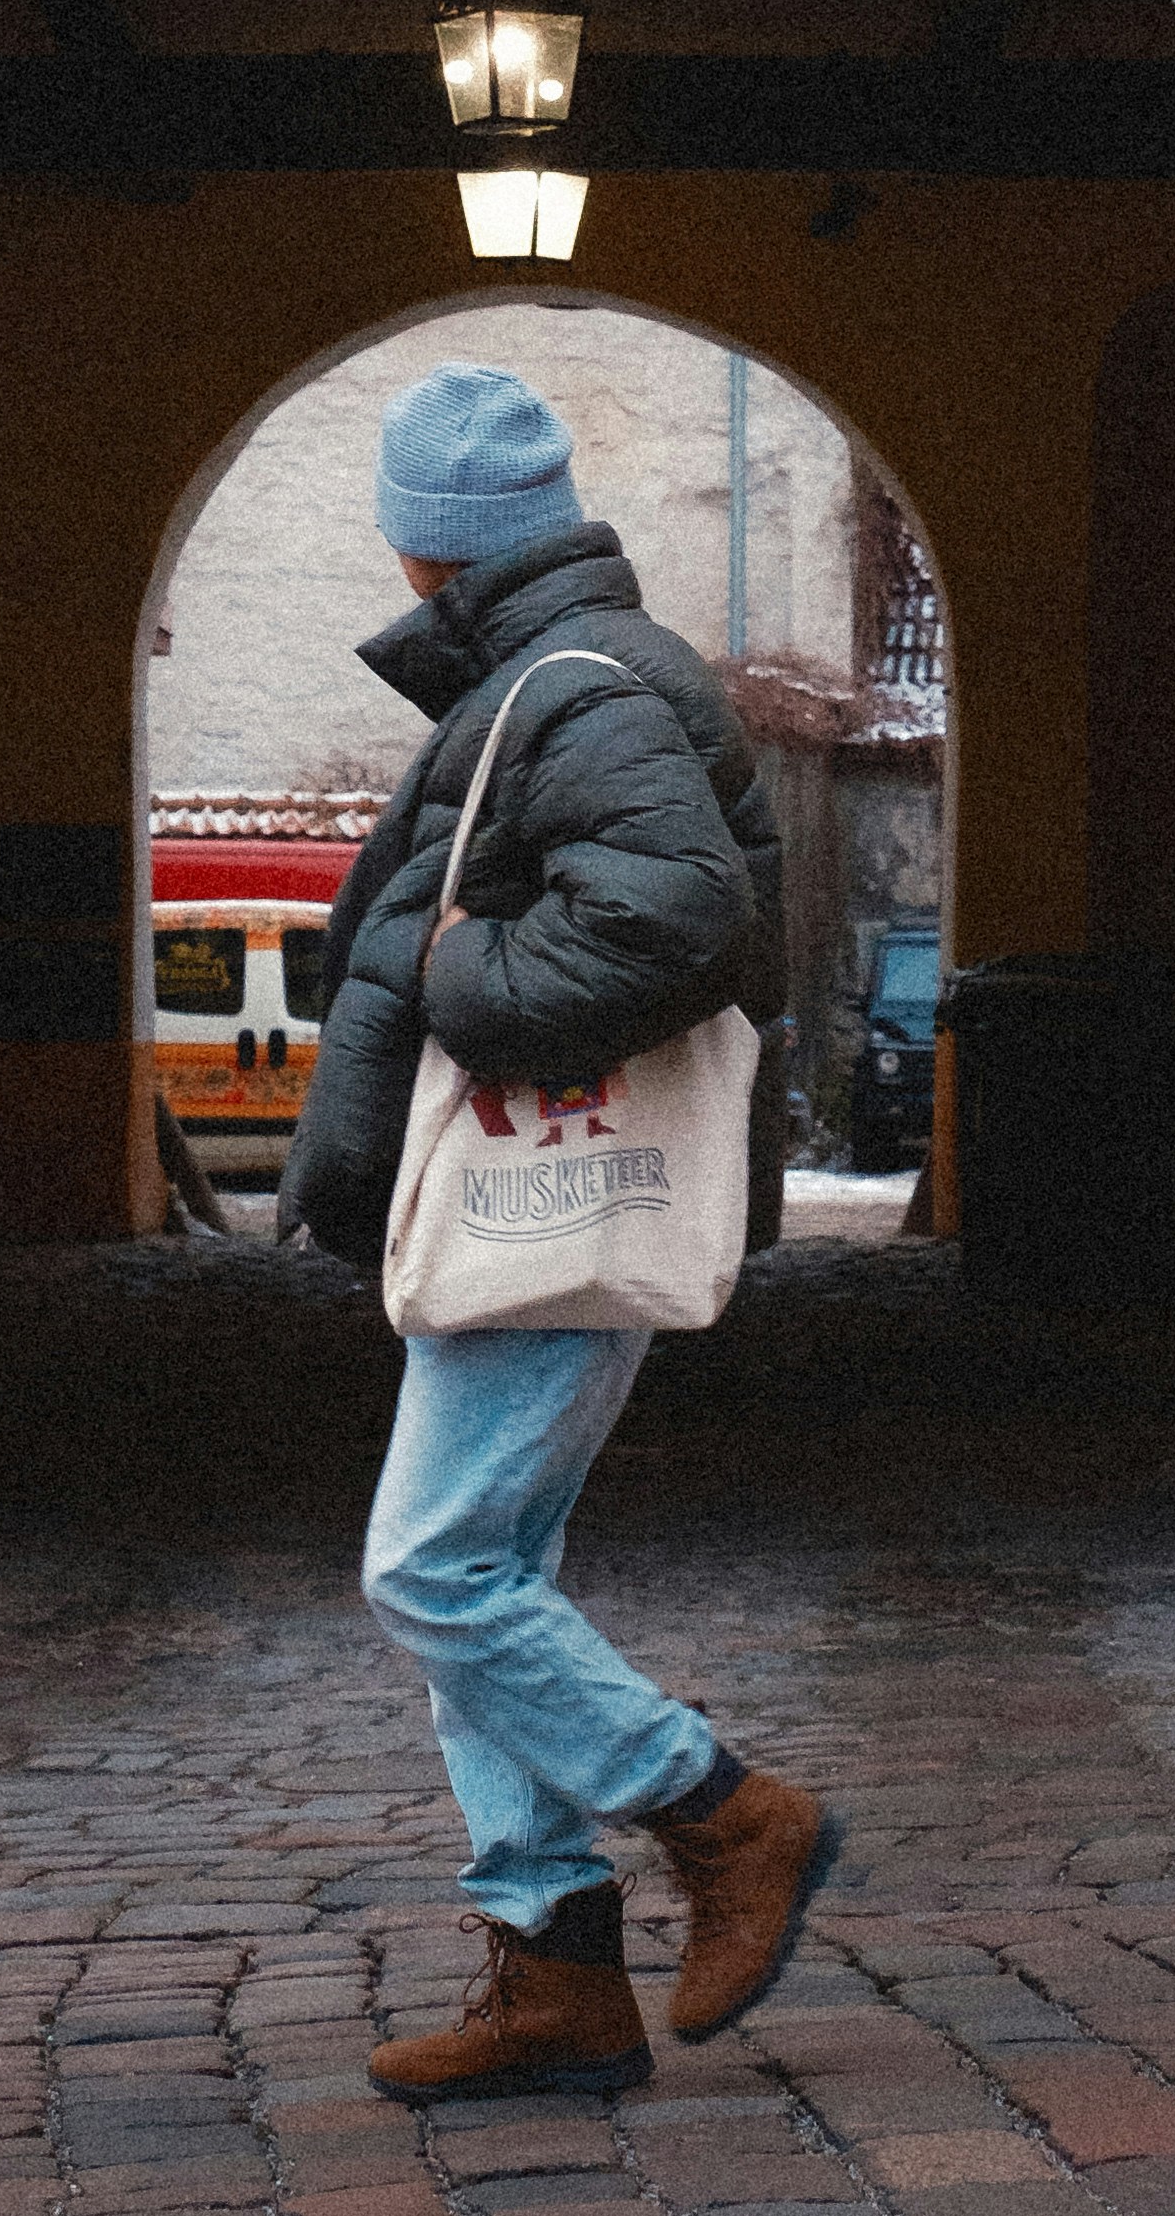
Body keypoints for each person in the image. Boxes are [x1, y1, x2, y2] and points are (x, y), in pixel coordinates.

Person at [281, 358, 843, 2102]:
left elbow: (675, 911)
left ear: (429, 543)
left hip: (552, 1196)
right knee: (485, 1583)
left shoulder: (576, 686)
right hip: (530, 1205)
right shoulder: (550, 673)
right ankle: (555, 1981)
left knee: (432, 1573)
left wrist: (463, 980)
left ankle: (725, 1812)